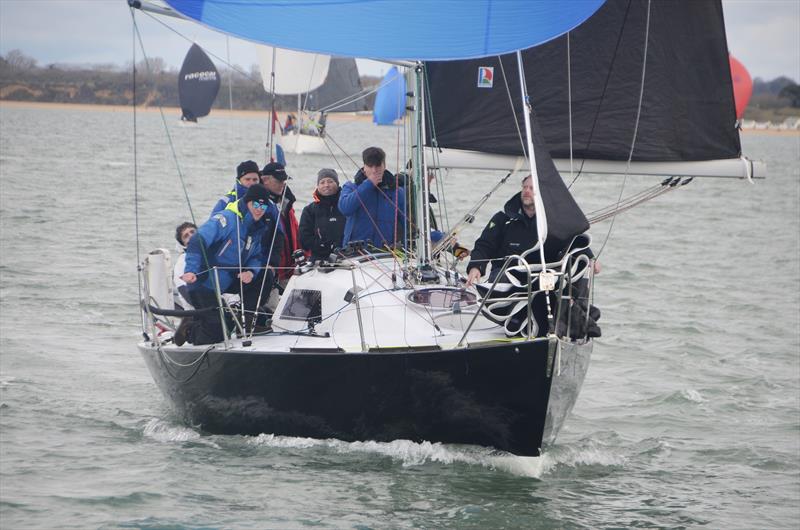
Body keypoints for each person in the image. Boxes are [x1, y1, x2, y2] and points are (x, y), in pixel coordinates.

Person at [176, 184, 282, 346]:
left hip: (230, 279)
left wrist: (251, 272)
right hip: (205, 282)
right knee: (217, 333)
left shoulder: (258, 228)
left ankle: (245, 325)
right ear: (247, 203)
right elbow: (198, 240)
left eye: (263, 205)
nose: (259, 209)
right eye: (256, 204)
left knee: (264, 274)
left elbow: (257, 256)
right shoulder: (226, 219)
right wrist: (191, 270)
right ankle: (190, 327)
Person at [466, 175, 600, 286]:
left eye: (532, 188)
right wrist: (476, 267)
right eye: (524, 187)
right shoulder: (502, 219)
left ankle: (566, 314)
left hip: (542, 277)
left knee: (558, 287)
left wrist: (591, 258)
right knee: (501, 280)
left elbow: (574, 239)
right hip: (507, 274)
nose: (527, 191)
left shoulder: (554, 222)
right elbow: (484, 245)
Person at [339, 146, 406, 248]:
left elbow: (406, 223)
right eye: (370, 166)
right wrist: (368, 184)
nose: (374, 170)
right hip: (356, 253)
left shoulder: (397, 192)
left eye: (378, 166)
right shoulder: (350, 187)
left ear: (384, 165)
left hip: (385, 252)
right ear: (364, 167)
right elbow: (345, 209)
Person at [260, 162, 301, 286]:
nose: (283, 184)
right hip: (269, 269)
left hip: (289, 268)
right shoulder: (259, 205)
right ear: (265, 180)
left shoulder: (287, 202)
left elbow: (295, 231)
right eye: (279, 181)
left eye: (284, 181)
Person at [299, 168, 345, 262]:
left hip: (345, 257)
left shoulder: (346, 205)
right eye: (322, 182)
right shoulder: (309, 210)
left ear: (337, 183)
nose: (326, 185)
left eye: (330, 181)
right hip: (319, 259)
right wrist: (322, 245)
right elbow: (304, 238)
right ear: (318, 186)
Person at [173, 221, 197, 309]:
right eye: (186, 236)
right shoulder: (182, 262)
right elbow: (184, 291)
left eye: (192, 232)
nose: (191, 236)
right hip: (197, 312)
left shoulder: (212, 254)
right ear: (183, 244)